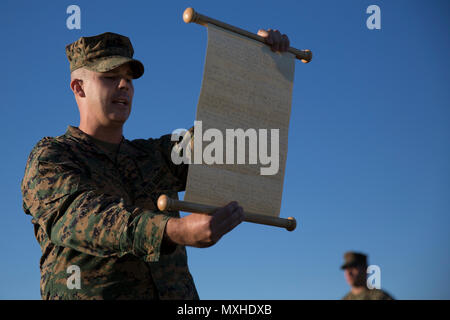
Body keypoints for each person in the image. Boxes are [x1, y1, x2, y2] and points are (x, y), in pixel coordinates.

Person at [20, 29, 291, 300]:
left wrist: (259, 67)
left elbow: (231, 142)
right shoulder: (52, 157)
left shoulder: (155, 155)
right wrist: (174, 231)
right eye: (110, 77)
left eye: (128, 79)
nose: (124, 85)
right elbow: (83, 217)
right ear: (79, 87)